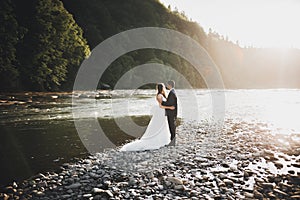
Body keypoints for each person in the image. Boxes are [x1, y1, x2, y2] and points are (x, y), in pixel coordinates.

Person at [119, 83, 175, 151]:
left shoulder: (162, 95)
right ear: (162, 88)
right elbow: (160, 106)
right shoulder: (159, 95)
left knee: (163, 125)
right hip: (161, 111)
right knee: (159, 125)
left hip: (163, 112)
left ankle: (164, 139)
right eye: (163, 87)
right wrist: (170, 107)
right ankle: (157, 139)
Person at [161, 80, 177, 146]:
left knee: (171, 127)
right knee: (172, 126)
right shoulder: (173, 92)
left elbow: (169, 104)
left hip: (171, 113)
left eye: (167, 85)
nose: (167, 86)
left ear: (170, 85)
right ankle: (172, 141)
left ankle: (172, 142)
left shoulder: (172, 93)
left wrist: (162, 102)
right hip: (172, 112)